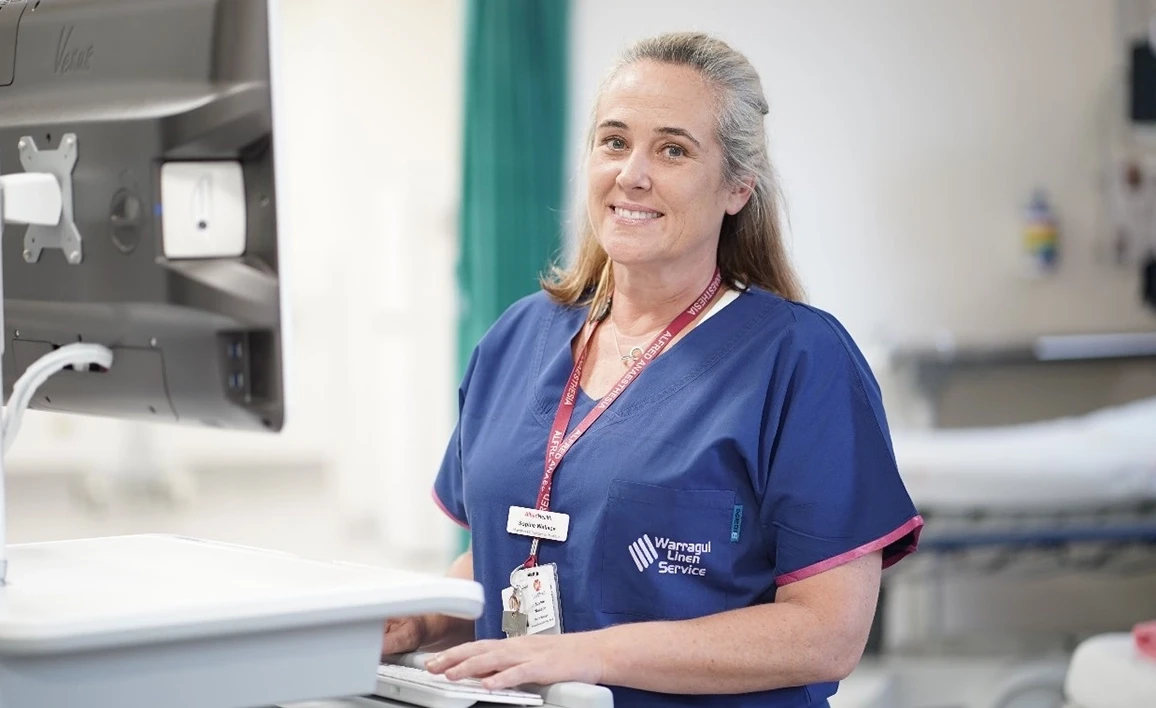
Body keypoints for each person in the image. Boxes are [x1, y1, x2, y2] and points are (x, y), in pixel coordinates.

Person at [382, 31, 923, 708]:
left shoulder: (800, 361)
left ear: (736, 189)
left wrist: (588, 656)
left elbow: (825, 633)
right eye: (614, 141)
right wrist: (423, 619)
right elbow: (504, 556)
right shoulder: (517, 338)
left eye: (672, 149)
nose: (631, 173)